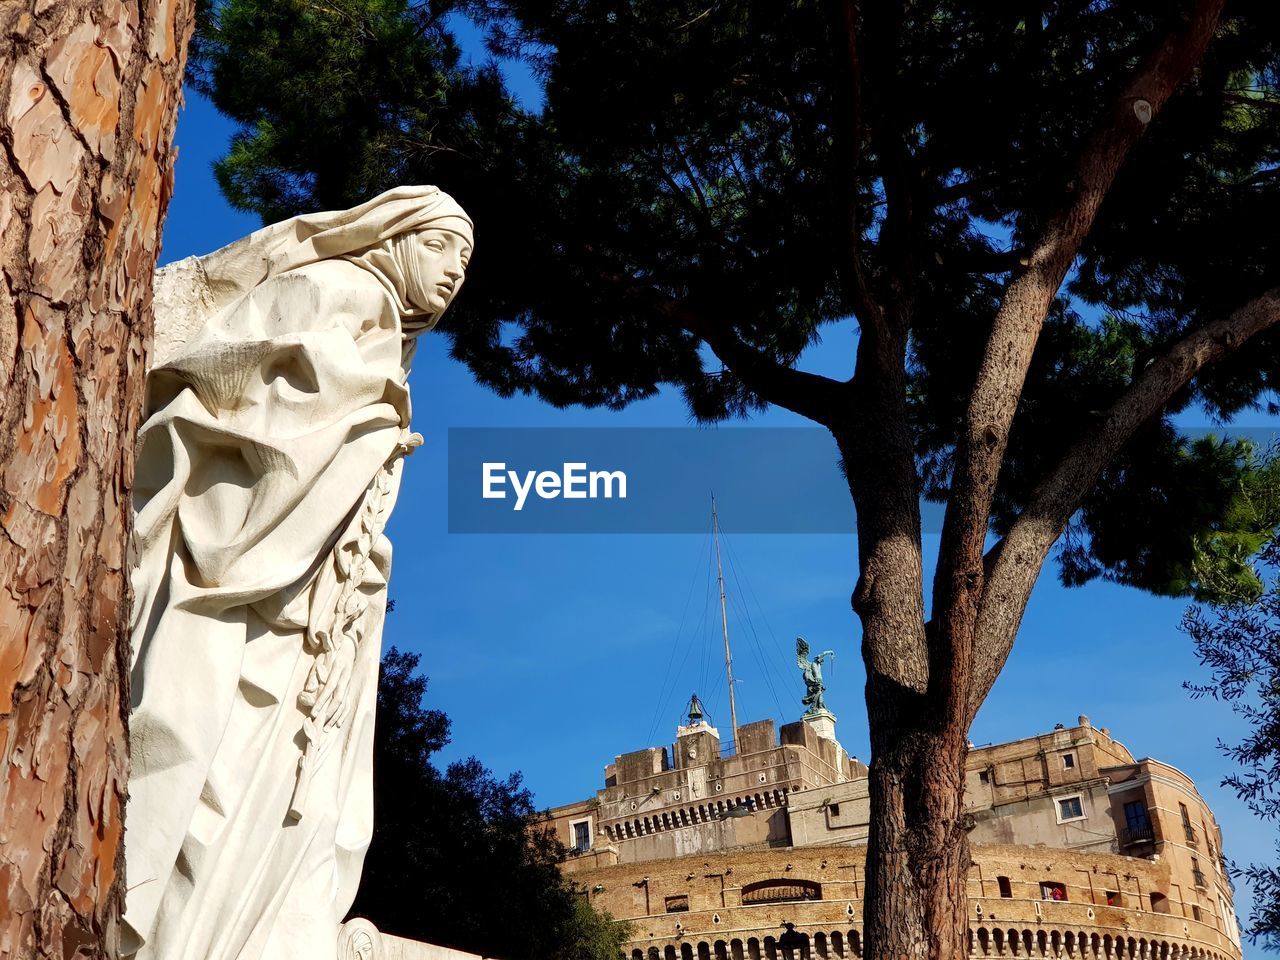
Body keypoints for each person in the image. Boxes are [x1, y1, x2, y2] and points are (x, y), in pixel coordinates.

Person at [123, 187, 472, 960]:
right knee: (191, 755)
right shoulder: (328, 288)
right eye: (443, 246)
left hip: (311, 612)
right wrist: (367, 426)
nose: (453, 274)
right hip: (232, 576)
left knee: (289, 802)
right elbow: (208, 390)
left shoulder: (388, 345)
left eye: (465, 262)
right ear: (396, 235)